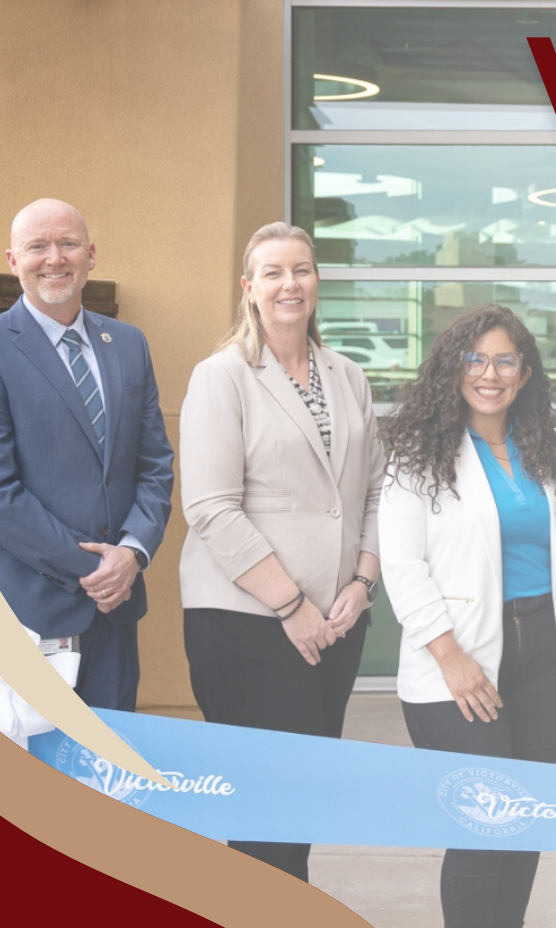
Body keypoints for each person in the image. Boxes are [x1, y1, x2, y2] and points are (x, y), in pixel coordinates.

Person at [176, 222, 383, 881]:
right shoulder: (222, 377)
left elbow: (377, 487)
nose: (289, 283)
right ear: (249, 287)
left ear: (317, 281)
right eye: (273, 272)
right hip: (248, 625)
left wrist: (363, 579)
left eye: (301, 269)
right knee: (267, 816)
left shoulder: (347, 375)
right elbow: (210, 506)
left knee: (305, 806)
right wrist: (291, 602)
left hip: (336, 623)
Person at [379, 305, 556, 928]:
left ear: (524, 374)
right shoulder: (417, 452)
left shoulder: (554, 448)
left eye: (505, 361)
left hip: (547, 658)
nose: (489, 374)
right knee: (479, 832)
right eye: (476, 359)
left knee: (522, 831)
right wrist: (451, 661)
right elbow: (403, 566)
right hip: (457, 662)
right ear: (454, 368)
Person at [0, 198, 175, 711]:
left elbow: (155, 465)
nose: (54, 258)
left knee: (109, 773)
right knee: (24, 782)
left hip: (115, 615)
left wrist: (132, 554)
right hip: (26, 614)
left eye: (68, 244)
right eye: (37, 247)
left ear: (90, 255)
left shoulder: (128, 344)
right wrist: (91, 569)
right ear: (12, 260)